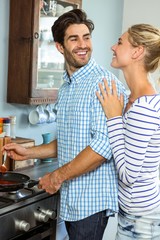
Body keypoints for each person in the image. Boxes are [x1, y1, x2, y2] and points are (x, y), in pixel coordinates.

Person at [2, 9, 127, 240]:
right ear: (60, 46)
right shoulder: (67, 87)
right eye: (74, 38)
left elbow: (101, 148)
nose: (83, 44)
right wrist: (28, 151)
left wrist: (57, 176)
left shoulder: (104, 84)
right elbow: (72, 140)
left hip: (91, 201)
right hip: (72, 198)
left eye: (86, 37)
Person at [96, 23, 160, 239]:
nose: (113, 47)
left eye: (120, 42)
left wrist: (113, 117)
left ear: (137, 51)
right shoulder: (135, 99)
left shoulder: (143, 108)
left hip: (140, 218)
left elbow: (128, 175)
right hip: (138, 213)